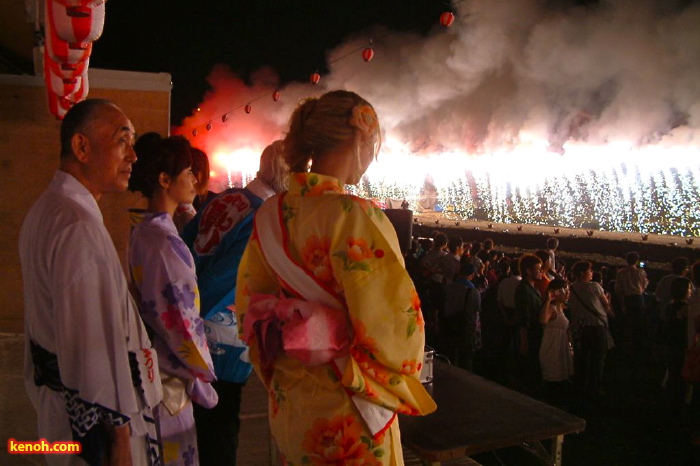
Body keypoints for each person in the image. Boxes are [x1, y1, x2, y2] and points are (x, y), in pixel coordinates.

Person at [235, 90, 436, 464]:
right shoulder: (356, 216)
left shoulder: (270, 214)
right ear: (361, 138)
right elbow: (394, 324)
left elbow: (249, 311)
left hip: (292, 403)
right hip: (349, 410)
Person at [19, 99, 162, 465]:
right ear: (82, 147)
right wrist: (118, 440)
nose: (133, 156)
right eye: (121, 141)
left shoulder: (50, 210)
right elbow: (91, 346)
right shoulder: (77, 226)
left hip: (63, 410)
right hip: (93, 433)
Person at [181, 140, 289, 465]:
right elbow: (227, 280)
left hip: (193, 325)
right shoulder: (262, 217)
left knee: (201, 429)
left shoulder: (227, 198)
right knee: (218, 435)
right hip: (218, 342)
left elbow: (185, 248)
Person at [128, 134, 218, 465]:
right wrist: (204, 372)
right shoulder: (165, 243)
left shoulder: (144, 231)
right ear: (165, 180)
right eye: (187, 171)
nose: (195, 179)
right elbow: (181, 322)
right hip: (169, 379)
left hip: (151, 364)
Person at [569, 261, 614, 399]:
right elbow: (606, 307)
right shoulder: (595, 286)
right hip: (596, 327)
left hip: (580, 329)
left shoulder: (570, 288)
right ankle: (594, 388)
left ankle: (580, 386)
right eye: (589, 271)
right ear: (583, 273)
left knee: (582, 359)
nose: (592, 273)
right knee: (597, 360)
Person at [539, 279, 574, 403]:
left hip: (560, 349)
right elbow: (543, 320)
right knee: (553, 383)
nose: (567, 293)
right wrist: (548, 300)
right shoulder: (552, 308)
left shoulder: (562, 309)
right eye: (563, 291)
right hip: (552, 349)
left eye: (567, 290)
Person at [443, 260, 481, 371]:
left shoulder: (449, 287)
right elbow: (477, 311)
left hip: (450, 324)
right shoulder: (473, 291)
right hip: (466, 327)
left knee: (451, 353)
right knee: (466, 358)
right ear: (472, 275)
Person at [173, 147, 216, 233]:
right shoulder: (186, 213)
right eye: (189, 172)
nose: (194, 180)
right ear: (200, 176)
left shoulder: (174, 205)